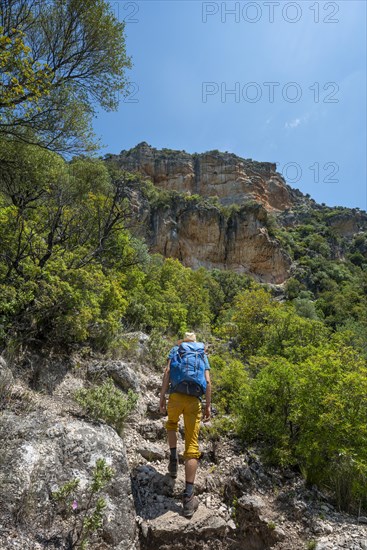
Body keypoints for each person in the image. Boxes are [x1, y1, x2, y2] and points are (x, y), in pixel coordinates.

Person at [159, 331, 211, 518]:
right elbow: (207, 381)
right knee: (192, 446)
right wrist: (208, 406)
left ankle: (173, 461)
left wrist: (162, 398)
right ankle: (188, 499)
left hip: (175, 396)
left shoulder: (176, 350)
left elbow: (167, 373)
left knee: (172, 424)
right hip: (194, 401)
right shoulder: (201, 354)